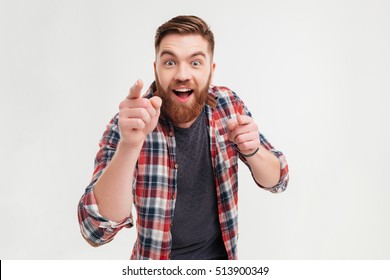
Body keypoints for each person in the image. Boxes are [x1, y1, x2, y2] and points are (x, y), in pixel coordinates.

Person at [77, 15, 289, 260]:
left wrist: (254, 152)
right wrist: (130, 145)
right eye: (170, 62)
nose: (182, 74)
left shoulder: (228, 106)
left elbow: (279, 180)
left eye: (195, 62)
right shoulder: (129, 124)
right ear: (156, 68)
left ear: (211, 70)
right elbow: (94, 230)